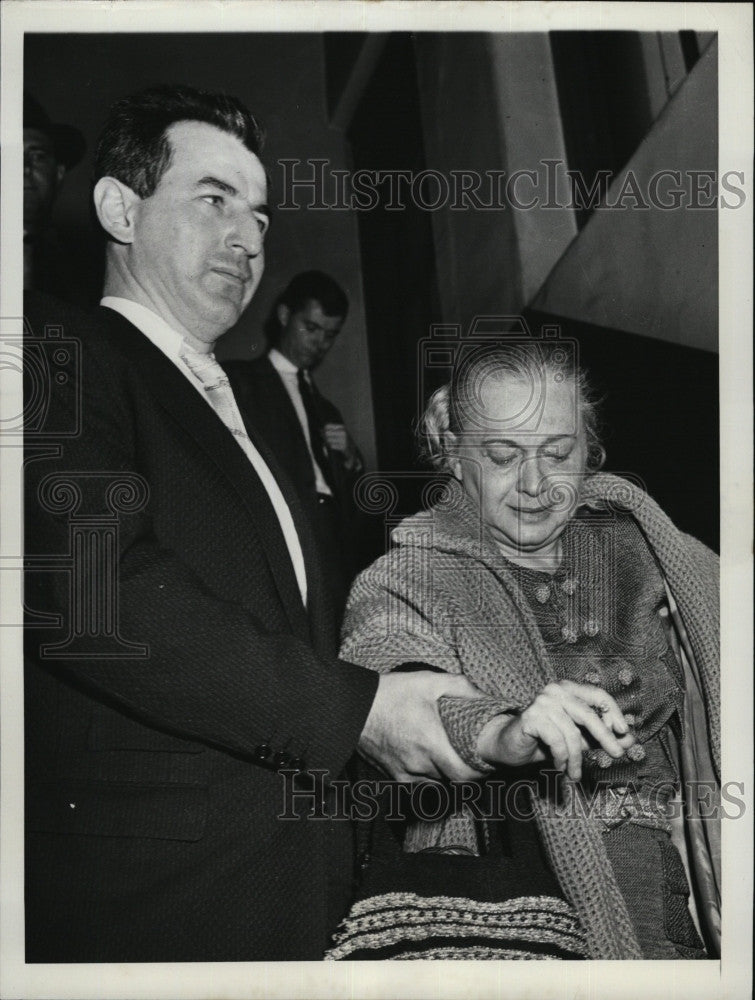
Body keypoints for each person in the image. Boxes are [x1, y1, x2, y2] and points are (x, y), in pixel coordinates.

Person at [22, 84, 485, 963]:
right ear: (119, 207)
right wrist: (361, 711)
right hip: (155, 900)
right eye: (213, 200)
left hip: (292, 876)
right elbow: (95, 598)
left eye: (262, 216)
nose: (248, 239)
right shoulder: (52, 349)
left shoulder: (258, 412)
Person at [327, 340, 720, 961]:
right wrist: (502, 732)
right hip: (533, 919)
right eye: (504, 456)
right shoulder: (408, 577)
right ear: (454, 456)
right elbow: (391, 681)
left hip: (689, 914)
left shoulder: (648, 547)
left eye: (558, 453)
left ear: (587, 448)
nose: (536, 484)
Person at [223, 271, 369, 605]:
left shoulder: (326, 408)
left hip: (332, 545)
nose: (319, 344)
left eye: (330, 335)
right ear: (285, 316)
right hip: (279, 540)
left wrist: (350, 458)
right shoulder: (239, 383)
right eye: (311, 328)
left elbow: (354, 497)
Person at [23, 91, 92, 301]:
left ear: (59, 173)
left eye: (37, 156)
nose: (23, 168)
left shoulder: (86, 265)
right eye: (7, 155)